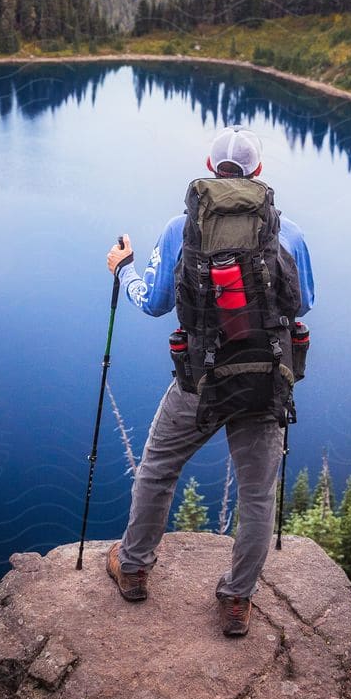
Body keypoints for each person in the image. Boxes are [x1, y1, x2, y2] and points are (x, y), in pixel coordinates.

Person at [104, 126, 315, 638]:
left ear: (209, 165)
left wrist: (122, 270)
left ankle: (132, 568)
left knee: (157, 467)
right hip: (264, 381)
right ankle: (237, 600)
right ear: (257, 171)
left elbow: (154, 302)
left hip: (200, 379)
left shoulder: (182, 227)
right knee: (257, 495)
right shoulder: (287, 233)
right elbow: (302, 304)